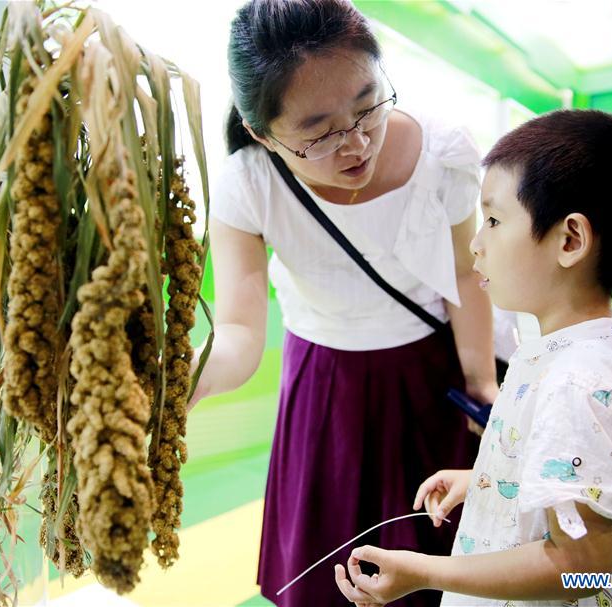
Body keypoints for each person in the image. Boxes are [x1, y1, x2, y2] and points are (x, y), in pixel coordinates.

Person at [187, 0, 499, 604]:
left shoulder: (443, 153)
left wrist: (481, 385)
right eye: (320, 131)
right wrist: (187, 378)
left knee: (435, 565)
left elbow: (466, 276)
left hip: (429, 376)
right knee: (329, 573)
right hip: (323, 382)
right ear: (262, 133)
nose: (356, 144)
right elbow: (240, 333)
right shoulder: (248, 184)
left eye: (368, 105)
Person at [334, 109, 612, 607]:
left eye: (492, 219)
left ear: (569, 240)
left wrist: (425, 571)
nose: (475, 243)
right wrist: (493, 482)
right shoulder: (581, 355)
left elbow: (578, 565)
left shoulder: (574, 382)